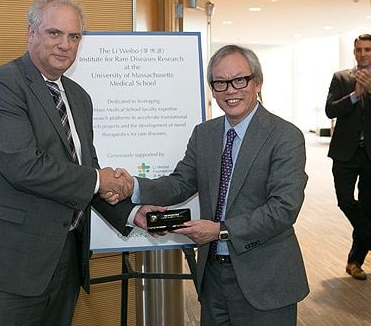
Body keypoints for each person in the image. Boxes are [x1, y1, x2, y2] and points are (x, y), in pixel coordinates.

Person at [0, 0, 134, 325]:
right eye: (54, 33)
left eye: (74, 36)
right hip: (5, 265)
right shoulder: (2, 85)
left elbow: (84, 170)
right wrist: (99, 180)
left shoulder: (78, 97)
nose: (65, 44)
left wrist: (132, 213)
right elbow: (26, 168)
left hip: (64, 259)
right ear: (31, 32)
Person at [128, 45, 309, 325]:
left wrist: (220, 231)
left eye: (240, 80)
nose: (230, 90)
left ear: (257, 82)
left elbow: (283, 209)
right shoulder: (205, 134)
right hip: (212, 277)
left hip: (264, 279)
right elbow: (180, 183)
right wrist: (132, 187)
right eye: (220, 83)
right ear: (212, 88)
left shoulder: (285, 136)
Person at [325, 33, 371, 280]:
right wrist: (355, 95)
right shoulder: (341, 78)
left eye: (367, 49)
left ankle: (354, 262)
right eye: (358, 50)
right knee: (345, 201)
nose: (363, 53)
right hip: (345, 152)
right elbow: (330, 110)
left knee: (368, 209)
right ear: (354, 52)